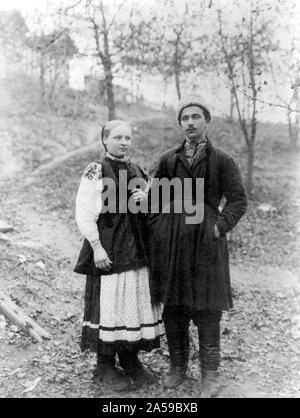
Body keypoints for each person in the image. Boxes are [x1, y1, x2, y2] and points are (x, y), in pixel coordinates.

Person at [148, 95, 247, 397]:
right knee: (174, 307)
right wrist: (160, 229)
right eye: (184, 118)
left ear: (207, 121)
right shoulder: (168, 159)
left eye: (195, 117)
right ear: (180, 124)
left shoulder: (222, 160)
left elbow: (239, 200)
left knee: (207, 309)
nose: (190, 122)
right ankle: (178, 367)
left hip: (207, 243)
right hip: (173, 244)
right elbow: (154, 199)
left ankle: (210, 375)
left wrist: (218, 226)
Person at [74, 119, 164, 392]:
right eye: (118, 137)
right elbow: (85, 212)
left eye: (128, 137)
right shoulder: (96, 170)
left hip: (136, 247)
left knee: (131, 304)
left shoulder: (137, 169)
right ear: (105, 140)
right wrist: (97, 246)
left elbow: (149, 207)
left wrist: (146, 199)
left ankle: (129, 359)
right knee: (110, 305)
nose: (124, 142)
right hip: (110, 246)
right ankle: (104, 365)